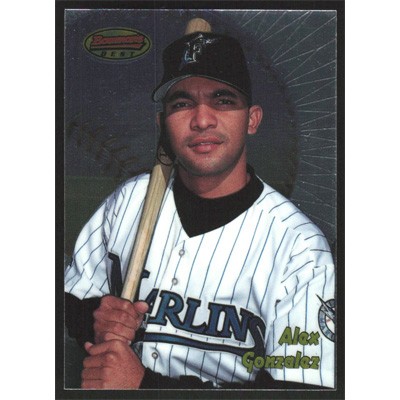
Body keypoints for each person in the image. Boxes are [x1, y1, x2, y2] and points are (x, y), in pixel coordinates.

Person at [64, 29, 335, 390]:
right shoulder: (128, 201)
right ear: (162, 124)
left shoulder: (300, 249)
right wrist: (95, 318)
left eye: (223, 100)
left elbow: (303, 391)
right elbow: (73, 300)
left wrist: (146, 387)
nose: (202, 120)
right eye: (182, 103)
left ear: (252, 119)